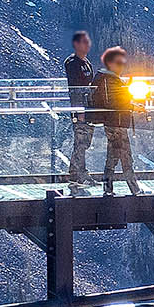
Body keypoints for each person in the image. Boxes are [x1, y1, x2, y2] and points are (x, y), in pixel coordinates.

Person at [95, 46, 143, 196]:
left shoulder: (106, 79)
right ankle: (134, 188)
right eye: (119, 62)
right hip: (117, 122)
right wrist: (133, 106)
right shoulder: (110, 80)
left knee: (113, 156)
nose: (122, 65)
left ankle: (108, 188)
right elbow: (115, 102)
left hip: (113, 122)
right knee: (126, 156)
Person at [65, 31, 96, 191]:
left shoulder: (87, 62)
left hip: (89, 109)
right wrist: (79, 110)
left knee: (85, 142)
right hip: (80, 110)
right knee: (80, 142)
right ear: (77, 44)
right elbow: (75, 88)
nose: (87, 44)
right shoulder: (72, 63)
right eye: (84, 42)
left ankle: (76, 172)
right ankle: (78, 174)